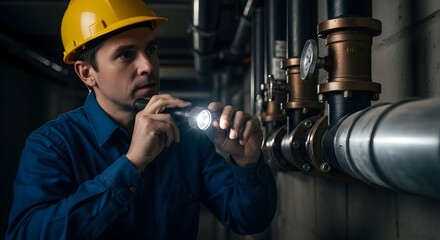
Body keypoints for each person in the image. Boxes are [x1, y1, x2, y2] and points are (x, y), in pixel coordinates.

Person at [6, 0, 277, 239]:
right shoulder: (53, 145)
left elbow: (248, 219)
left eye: (151, 49)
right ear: (87, 72)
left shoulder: (186, 137)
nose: (148, 66)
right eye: (126, 54)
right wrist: (131, 164)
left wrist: (247, 162)